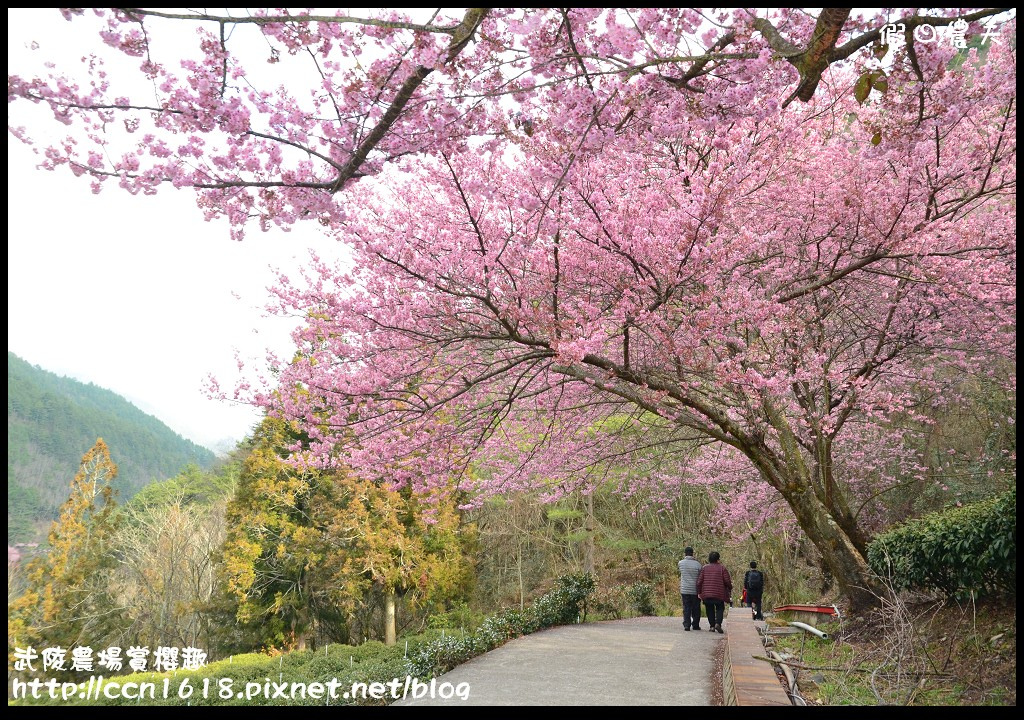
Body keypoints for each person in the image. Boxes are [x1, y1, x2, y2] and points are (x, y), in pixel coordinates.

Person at [696, 551, 732, 634]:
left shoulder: (704, 568)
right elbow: (727, 581)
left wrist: (699, 592)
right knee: (720, 608)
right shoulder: (722, 568)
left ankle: (712, 626)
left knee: (709, 609)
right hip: (719, 594)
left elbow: (699, 582)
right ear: (718, 559)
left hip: (707, 594)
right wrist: (730, 587)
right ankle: (718, 623)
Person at [677, 546, 703, 631]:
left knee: (686, 607)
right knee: (696, 608)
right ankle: (695, 625)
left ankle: (687, 625)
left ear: (685, 553)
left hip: (684, 589)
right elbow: (700, 577)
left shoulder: (680, 563)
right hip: (695, 590)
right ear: (692, 553)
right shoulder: (698, 564)